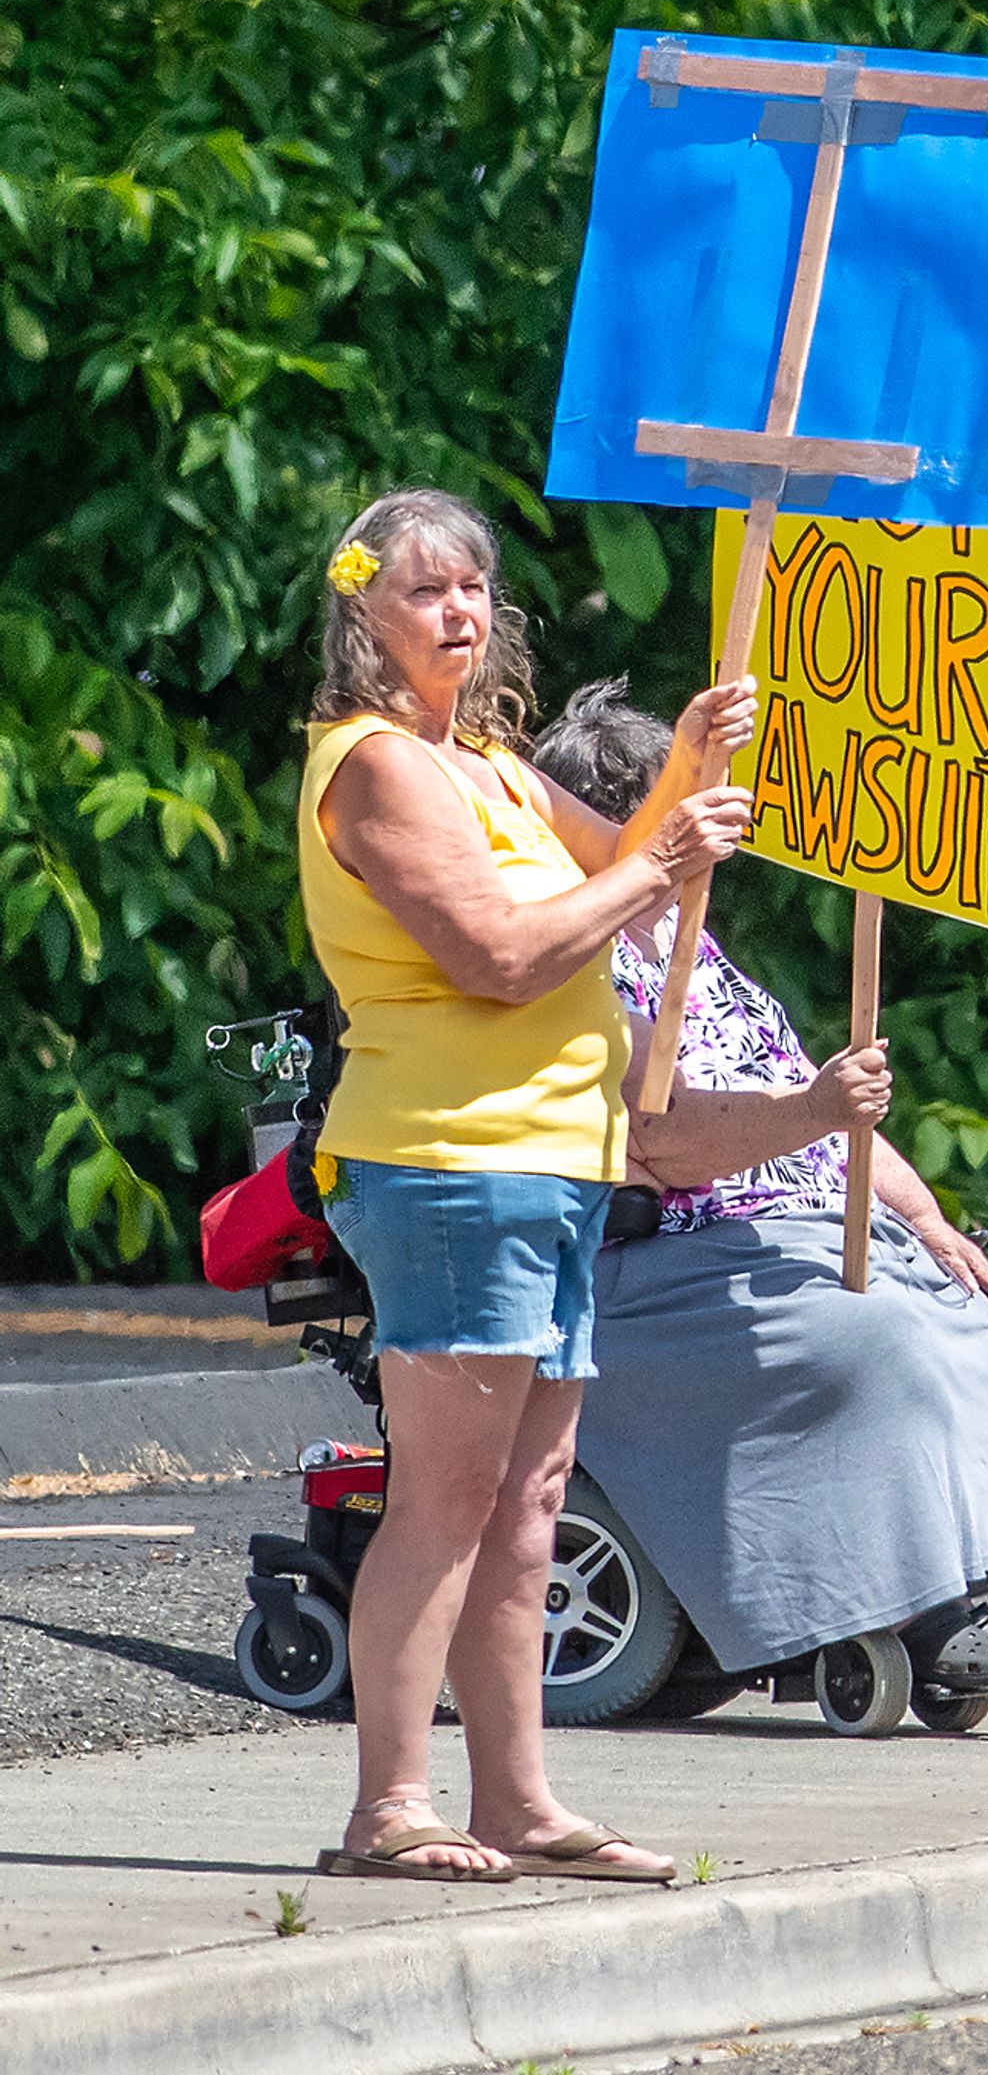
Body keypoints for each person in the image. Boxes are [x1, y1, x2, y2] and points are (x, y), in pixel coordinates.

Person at [294, 490, 749, 1885]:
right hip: (450, 1157)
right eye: (426, 590)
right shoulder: (374, 765)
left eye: (476, 587)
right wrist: (662, 862)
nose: (461, 612)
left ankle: (519, 1798)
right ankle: (390, 1807)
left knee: (532, 1499)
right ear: (361, 610)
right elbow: (499, 950)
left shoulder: (485, 759)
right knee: (447, 1492)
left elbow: (621, 874)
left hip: (551, 1159)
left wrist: (682, 767)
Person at [530, 684, 988, 1704]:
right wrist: (815, 1110)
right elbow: (670, 1133)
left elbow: (839, 1121)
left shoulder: (704, 954)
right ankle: (920, 1612)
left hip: (787, 1227)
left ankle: (960, 1582)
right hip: (660, 1259)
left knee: (959, 1299)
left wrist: (926, 1219)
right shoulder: (580, 964)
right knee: (875, 1336)